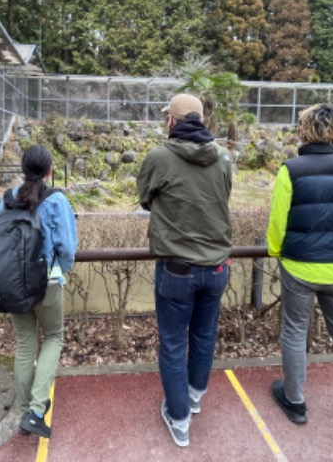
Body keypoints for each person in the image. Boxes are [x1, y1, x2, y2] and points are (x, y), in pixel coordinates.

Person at [266, 102, 333, 436]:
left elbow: (277, 223)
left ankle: (295, 400)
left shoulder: (292, 169)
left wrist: (276, 252)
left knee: (296, 331)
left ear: (304, 130)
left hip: (299, 266)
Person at [137, 93, 233, 448]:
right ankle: (193, 398)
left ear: (172, 122)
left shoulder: (160, 157)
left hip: (177, 268)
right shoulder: (223, 157)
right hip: (217, 265)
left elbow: (145, 196)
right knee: (204, 335)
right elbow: (222, 197)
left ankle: (178, 419)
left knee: (174, 344)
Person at [3, 145, 77, 439]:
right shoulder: (56, 200)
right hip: (46, 282)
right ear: (49, 170)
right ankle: (36, 411)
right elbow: (67, 248)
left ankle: (25, 410)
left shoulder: (7, 198)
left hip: (13, 284)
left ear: (23, 169)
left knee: (25, 345)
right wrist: (62, 269)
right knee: (54, 338)